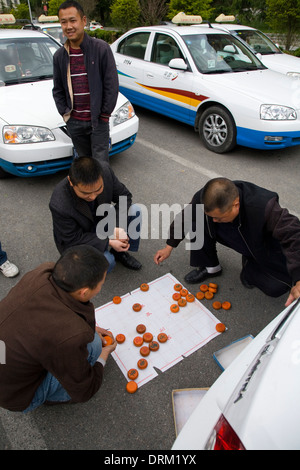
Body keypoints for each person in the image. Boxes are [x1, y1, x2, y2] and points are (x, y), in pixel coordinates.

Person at [0, 245, 117, 412]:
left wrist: (84, 325)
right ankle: (48, 397)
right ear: (83, 292)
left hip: (5, 359)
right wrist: (102, 358)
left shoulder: (43, 272)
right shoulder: (71, 334)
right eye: (101, 284)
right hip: (16, 396)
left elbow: (40, 321)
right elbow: (85, 390)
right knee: (95, 346)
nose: (101, 287)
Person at [154, 178, 300, 307]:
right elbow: (184, 218)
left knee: (274, 288)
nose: (214, 221)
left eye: (218, 217)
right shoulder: (204, 198)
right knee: (197, 223)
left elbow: (295, 234)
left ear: (236, 205)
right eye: (212, 217)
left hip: (259, 242)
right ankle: (211, 267)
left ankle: (251, 264)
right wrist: (169, 247)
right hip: (232, 232)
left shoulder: (263, 207)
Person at [52, 0, 119, 162]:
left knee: (101, 167)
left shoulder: (101, 49)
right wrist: (65, 113)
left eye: (73, 20)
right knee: (85, 166)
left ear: (83, 21)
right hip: (75, 123)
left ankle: (104, 188)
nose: (69, 26)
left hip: (98, 122)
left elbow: (111, 85)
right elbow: (58, 89)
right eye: (64, 22)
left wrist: (104, 115)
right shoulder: (59, 56)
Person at [49, 156, 142, 272]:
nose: (92, 197)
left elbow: (124, 197)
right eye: (85, 193)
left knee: (135, 211)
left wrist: (117, 228)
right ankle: (92, 273)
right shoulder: (59, 204)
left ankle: (120, 252)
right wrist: (109, 241)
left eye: (98, 190)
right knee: (107, 261)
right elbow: (72, 240)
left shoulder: (105, 171)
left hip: (102, 221)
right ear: (71, 182)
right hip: (81, 235)